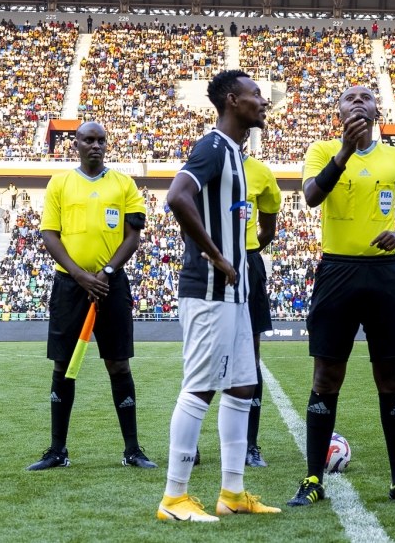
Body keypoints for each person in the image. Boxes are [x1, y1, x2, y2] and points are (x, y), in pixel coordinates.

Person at [287, 85, 395, 508]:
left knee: (392, 379)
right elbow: (312, 197)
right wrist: (345, 152)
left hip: (386, 273)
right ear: (338, 112)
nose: (357, 101)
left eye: (365, 96)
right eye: (349, 98)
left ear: (376, 109)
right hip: (337, 271)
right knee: (326, 377)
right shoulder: (322, 150)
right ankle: (313, 479)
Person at [157, 70, 279, 522]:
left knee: (244, 386)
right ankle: (174, 498)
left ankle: (232, 492)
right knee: (200, 388)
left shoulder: (237, 154)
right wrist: (215, 255)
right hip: (209, 290)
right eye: (255, 95)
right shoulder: (212, 147)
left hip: (235, 295)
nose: (263, 101)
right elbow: (177, 196)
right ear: (232, 101)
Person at [27, 122, 154, 471]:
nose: (95, 145)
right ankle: (57, 450)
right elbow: (50, 235)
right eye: (88, 139)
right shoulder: (60, 183)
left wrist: (107, 272)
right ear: (76, 145)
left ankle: (132, 450)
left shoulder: (124, 184)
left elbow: (133, 237)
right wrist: (82, 276)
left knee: (119, 364)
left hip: (111, 287)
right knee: (64, 367)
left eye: (101, 140)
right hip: (70, 286)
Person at [241, 138, 282, 467]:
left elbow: (268, 227)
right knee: (205, 358)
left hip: (249, 265)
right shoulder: (204, 163)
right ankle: (192, 441)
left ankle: (250, 445)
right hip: (210, 266)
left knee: (251, 358)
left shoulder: (261, 173)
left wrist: (247, 248)